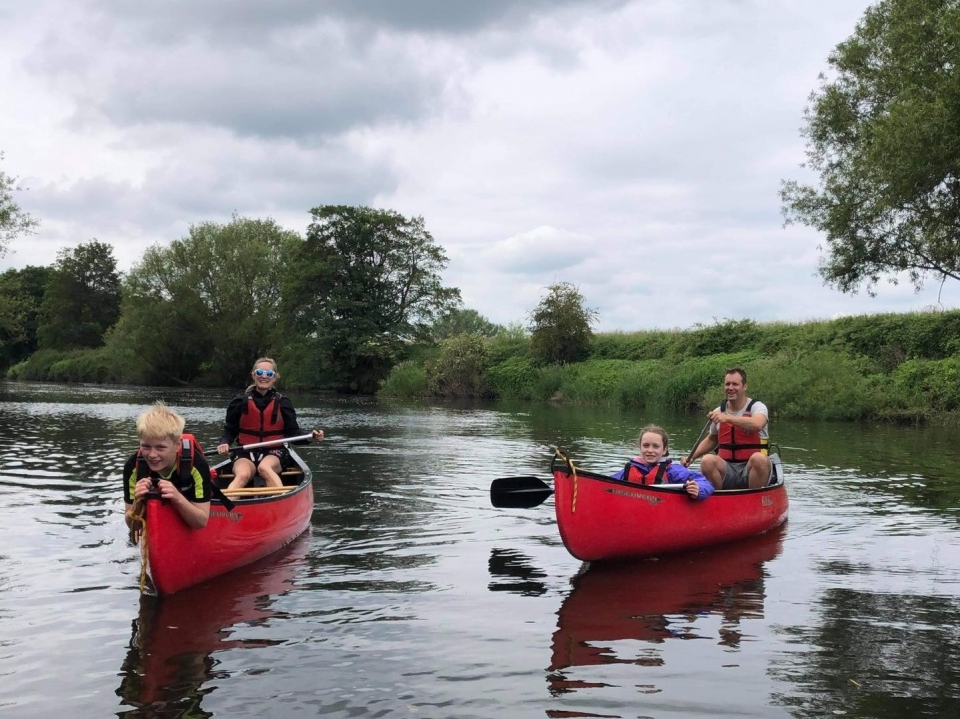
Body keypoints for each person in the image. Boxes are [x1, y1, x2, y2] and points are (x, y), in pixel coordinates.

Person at [216, 357, 324, 490]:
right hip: (245, 453)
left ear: (274, 377)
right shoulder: (239, 402)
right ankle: (228, 502)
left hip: (274, 452)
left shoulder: (283, 403)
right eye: (260, 372)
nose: (264, 376)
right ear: (254, 375)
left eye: (269, 373)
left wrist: (311, 436)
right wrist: (224, 443)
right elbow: (230, 431)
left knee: (264, 468)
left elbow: (293, 434)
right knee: (242, 475)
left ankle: (281, 499)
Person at [123, 401, 211, 529]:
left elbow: (201, 522)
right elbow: (134, 527)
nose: (152, 455)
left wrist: (177, 498)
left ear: (177, 445)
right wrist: (137, 501)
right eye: (146, 446)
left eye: (160, 447)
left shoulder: (197, 465)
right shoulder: (132, 467)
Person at [681, 367, 771, 490]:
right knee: (707, 460)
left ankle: (754, 497)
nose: (730, 388)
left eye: (735, 384)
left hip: (752, 468)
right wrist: (691, 457)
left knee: (759, 459)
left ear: (744, 386)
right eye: (727, 384)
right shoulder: (719, 411)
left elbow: (758, 424)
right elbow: (712, 439)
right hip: (727, 468)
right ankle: (718, 497)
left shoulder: (758, 407)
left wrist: (727, 418)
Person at [613, 424, 714, 500]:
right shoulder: (628, 469)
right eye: (646, 445)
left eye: (656, 446)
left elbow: (706, 483)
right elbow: (608, 482)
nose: (650, 450)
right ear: (640, 447)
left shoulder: (673, 470)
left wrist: (698, 489)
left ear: (664, 450)